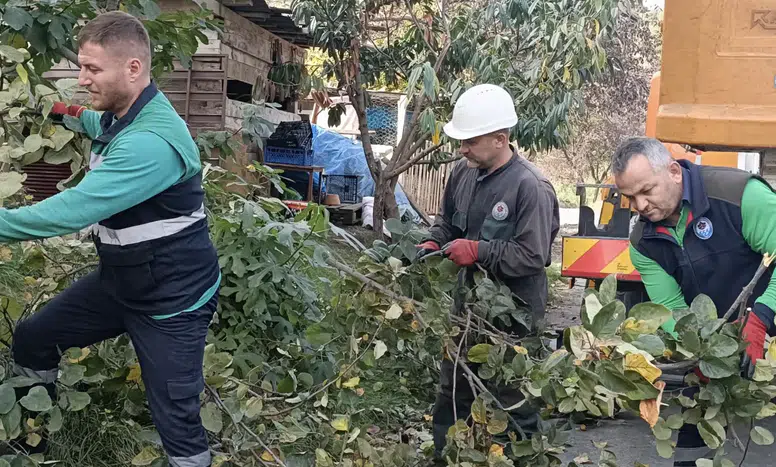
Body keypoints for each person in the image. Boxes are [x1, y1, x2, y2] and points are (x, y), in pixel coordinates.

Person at [2, 12, 220, 467]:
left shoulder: (150, 143)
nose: (82, 79)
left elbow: (70, 211)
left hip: (172, 299)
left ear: (133, 68)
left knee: (175, 415)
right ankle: (32, 442)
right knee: (35, 337)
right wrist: (62, 112)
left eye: (92, 69)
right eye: (81, 67)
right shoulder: (127, 113)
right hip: (122, 282)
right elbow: (96, 125)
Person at [612, 136, 776, 466]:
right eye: (630, 197)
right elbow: (671, 309)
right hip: (718, 342)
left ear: (674, 172)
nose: (640, 205)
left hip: (766, 323)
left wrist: (761, 319)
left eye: (646, 190)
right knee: (691, 449)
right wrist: (700, 353)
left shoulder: (740, 196)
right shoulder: (643, 242)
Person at [416, 83, 560, 457]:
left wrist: (478, 250)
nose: (462, 149)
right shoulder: (463, 174)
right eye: (461, 141)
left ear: (500, 139)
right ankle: (448, 457)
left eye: (470, 141)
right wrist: (433, 241)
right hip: (466, 311)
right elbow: (447, 222)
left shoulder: (531, 186)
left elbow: (533, 256)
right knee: (453, 391)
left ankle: (521, 459)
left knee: (512, 399)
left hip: (515, 316)